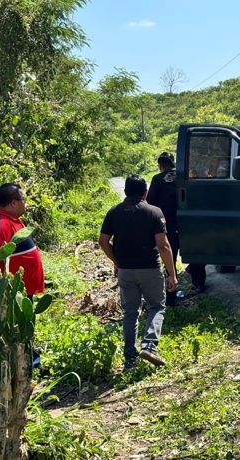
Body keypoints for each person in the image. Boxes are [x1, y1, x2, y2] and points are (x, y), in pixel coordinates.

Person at [99, 175, 177, 370]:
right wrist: (172, 274)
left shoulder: (114, 212)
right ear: (145, 192)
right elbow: (163, 245)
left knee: (130, 312)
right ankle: (149, 346)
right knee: (157, 307)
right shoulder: (153, 212)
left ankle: (130, 358)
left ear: (125, 191)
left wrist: (116, 261)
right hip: (149, 268)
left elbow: (103, 241)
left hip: (126, 270)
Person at [0, 183, 45, 297]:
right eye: (23, 199)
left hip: (23, 290)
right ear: (13, 203)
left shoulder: (13, 219)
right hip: (14, 294)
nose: (25, 202)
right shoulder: (3, 224)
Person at [147, 152, 179, 306]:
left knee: (169, 259)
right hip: (187, 222)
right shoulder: (184, 176)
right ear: (173, 163)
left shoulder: (157, 179)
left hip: (166, 224)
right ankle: (199, 283)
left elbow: (150, 203)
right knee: (195, 253)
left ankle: (171, 298)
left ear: (160, 166)